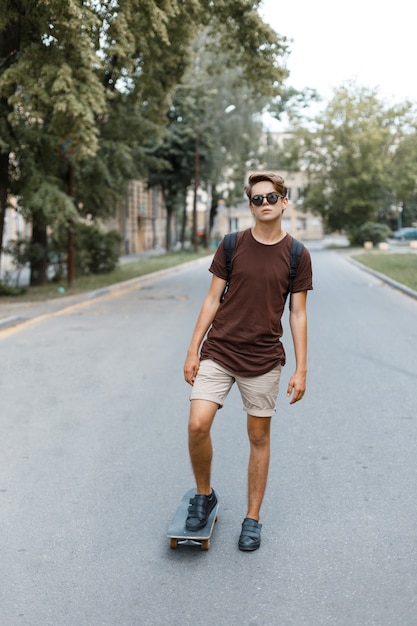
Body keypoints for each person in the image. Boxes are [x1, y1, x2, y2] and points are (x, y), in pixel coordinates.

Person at [183, 171, 313, 551]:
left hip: (263, 358)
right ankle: (204, 495)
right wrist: (193, 350)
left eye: (272, 197)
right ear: (250, 206)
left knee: (258, 436)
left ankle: (252, 517)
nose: (265, 204)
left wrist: (301, 369)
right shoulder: (230, 245)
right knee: (197, 423)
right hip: (220, 350)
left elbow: (298, 314)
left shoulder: (297, 255)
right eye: (257, 199)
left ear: (285, 202)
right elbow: (211, 300)